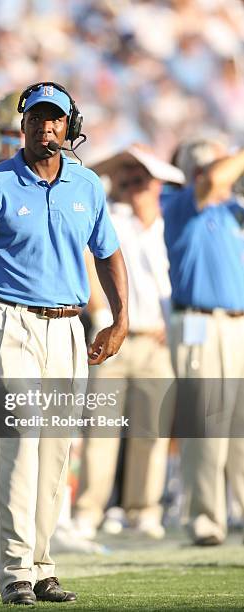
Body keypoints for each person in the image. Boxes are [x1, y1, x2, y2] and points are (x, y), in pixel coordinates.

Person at [0, 82, 128, 605]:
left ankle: (42, 564)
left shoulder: (87, 185)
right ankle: (15, 570)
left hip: (69, 327)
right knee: (21, 443)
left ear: (70, 126)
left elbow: (109, 254)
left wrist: (120, 318)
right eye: (38, 118)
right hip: (10, 322)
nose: (47, 127)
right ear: (22, 124)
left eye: (56, 119)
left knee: (55, 450)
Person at [73, 145, 184, 540]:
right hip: (112, 336)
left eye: (141, 180)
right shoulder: (109, 217)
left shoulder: (169, 220)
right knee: (100, 429)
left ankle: (144, 509)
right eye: (126, 180)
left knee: (150, 431)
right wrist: (102, 316)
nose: (133, 187)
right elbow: (90, 266)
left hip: (156, 339)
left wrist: (171, 325)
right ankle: (89, 510)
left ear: (155, 185)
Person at [163, 138, 244, 545]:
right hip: (199, 325)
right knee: (206, 425)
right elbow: (214, 176)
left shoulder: (233, 210)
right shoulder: (180, 205)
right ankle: (205, 519)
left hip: (237, 325)